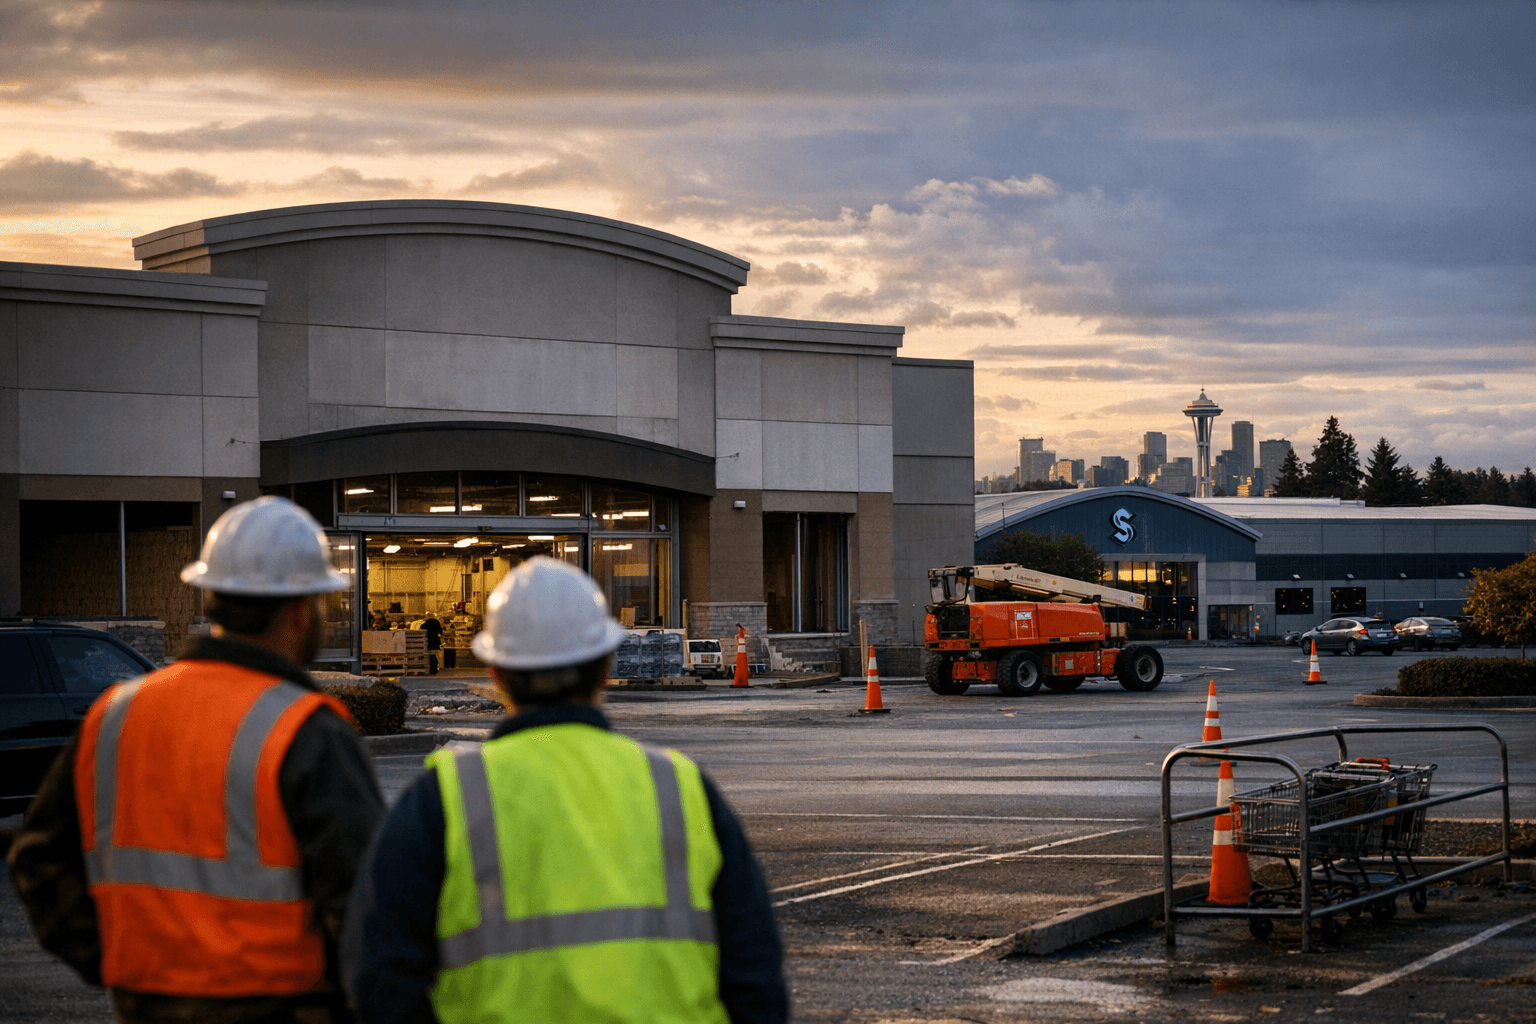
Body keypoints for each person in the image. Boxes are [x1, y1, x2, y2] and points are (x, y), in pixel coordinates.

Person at [342, 557, 787, 1024]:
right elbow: (754, 976)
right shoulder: (680, 789)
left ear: (494, 673)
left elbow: (379, 974)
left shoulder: (445, 799)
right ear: (605, 665)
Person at [7, 496, 384, 1024]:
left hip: (144, 1004)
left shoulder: (116, 714)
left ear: (208, 605)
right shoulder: (308, 730)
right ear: (303, 612)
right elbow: (366, 911)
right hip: (277, 1008)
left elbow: (39, 859)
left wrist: (113, 962)